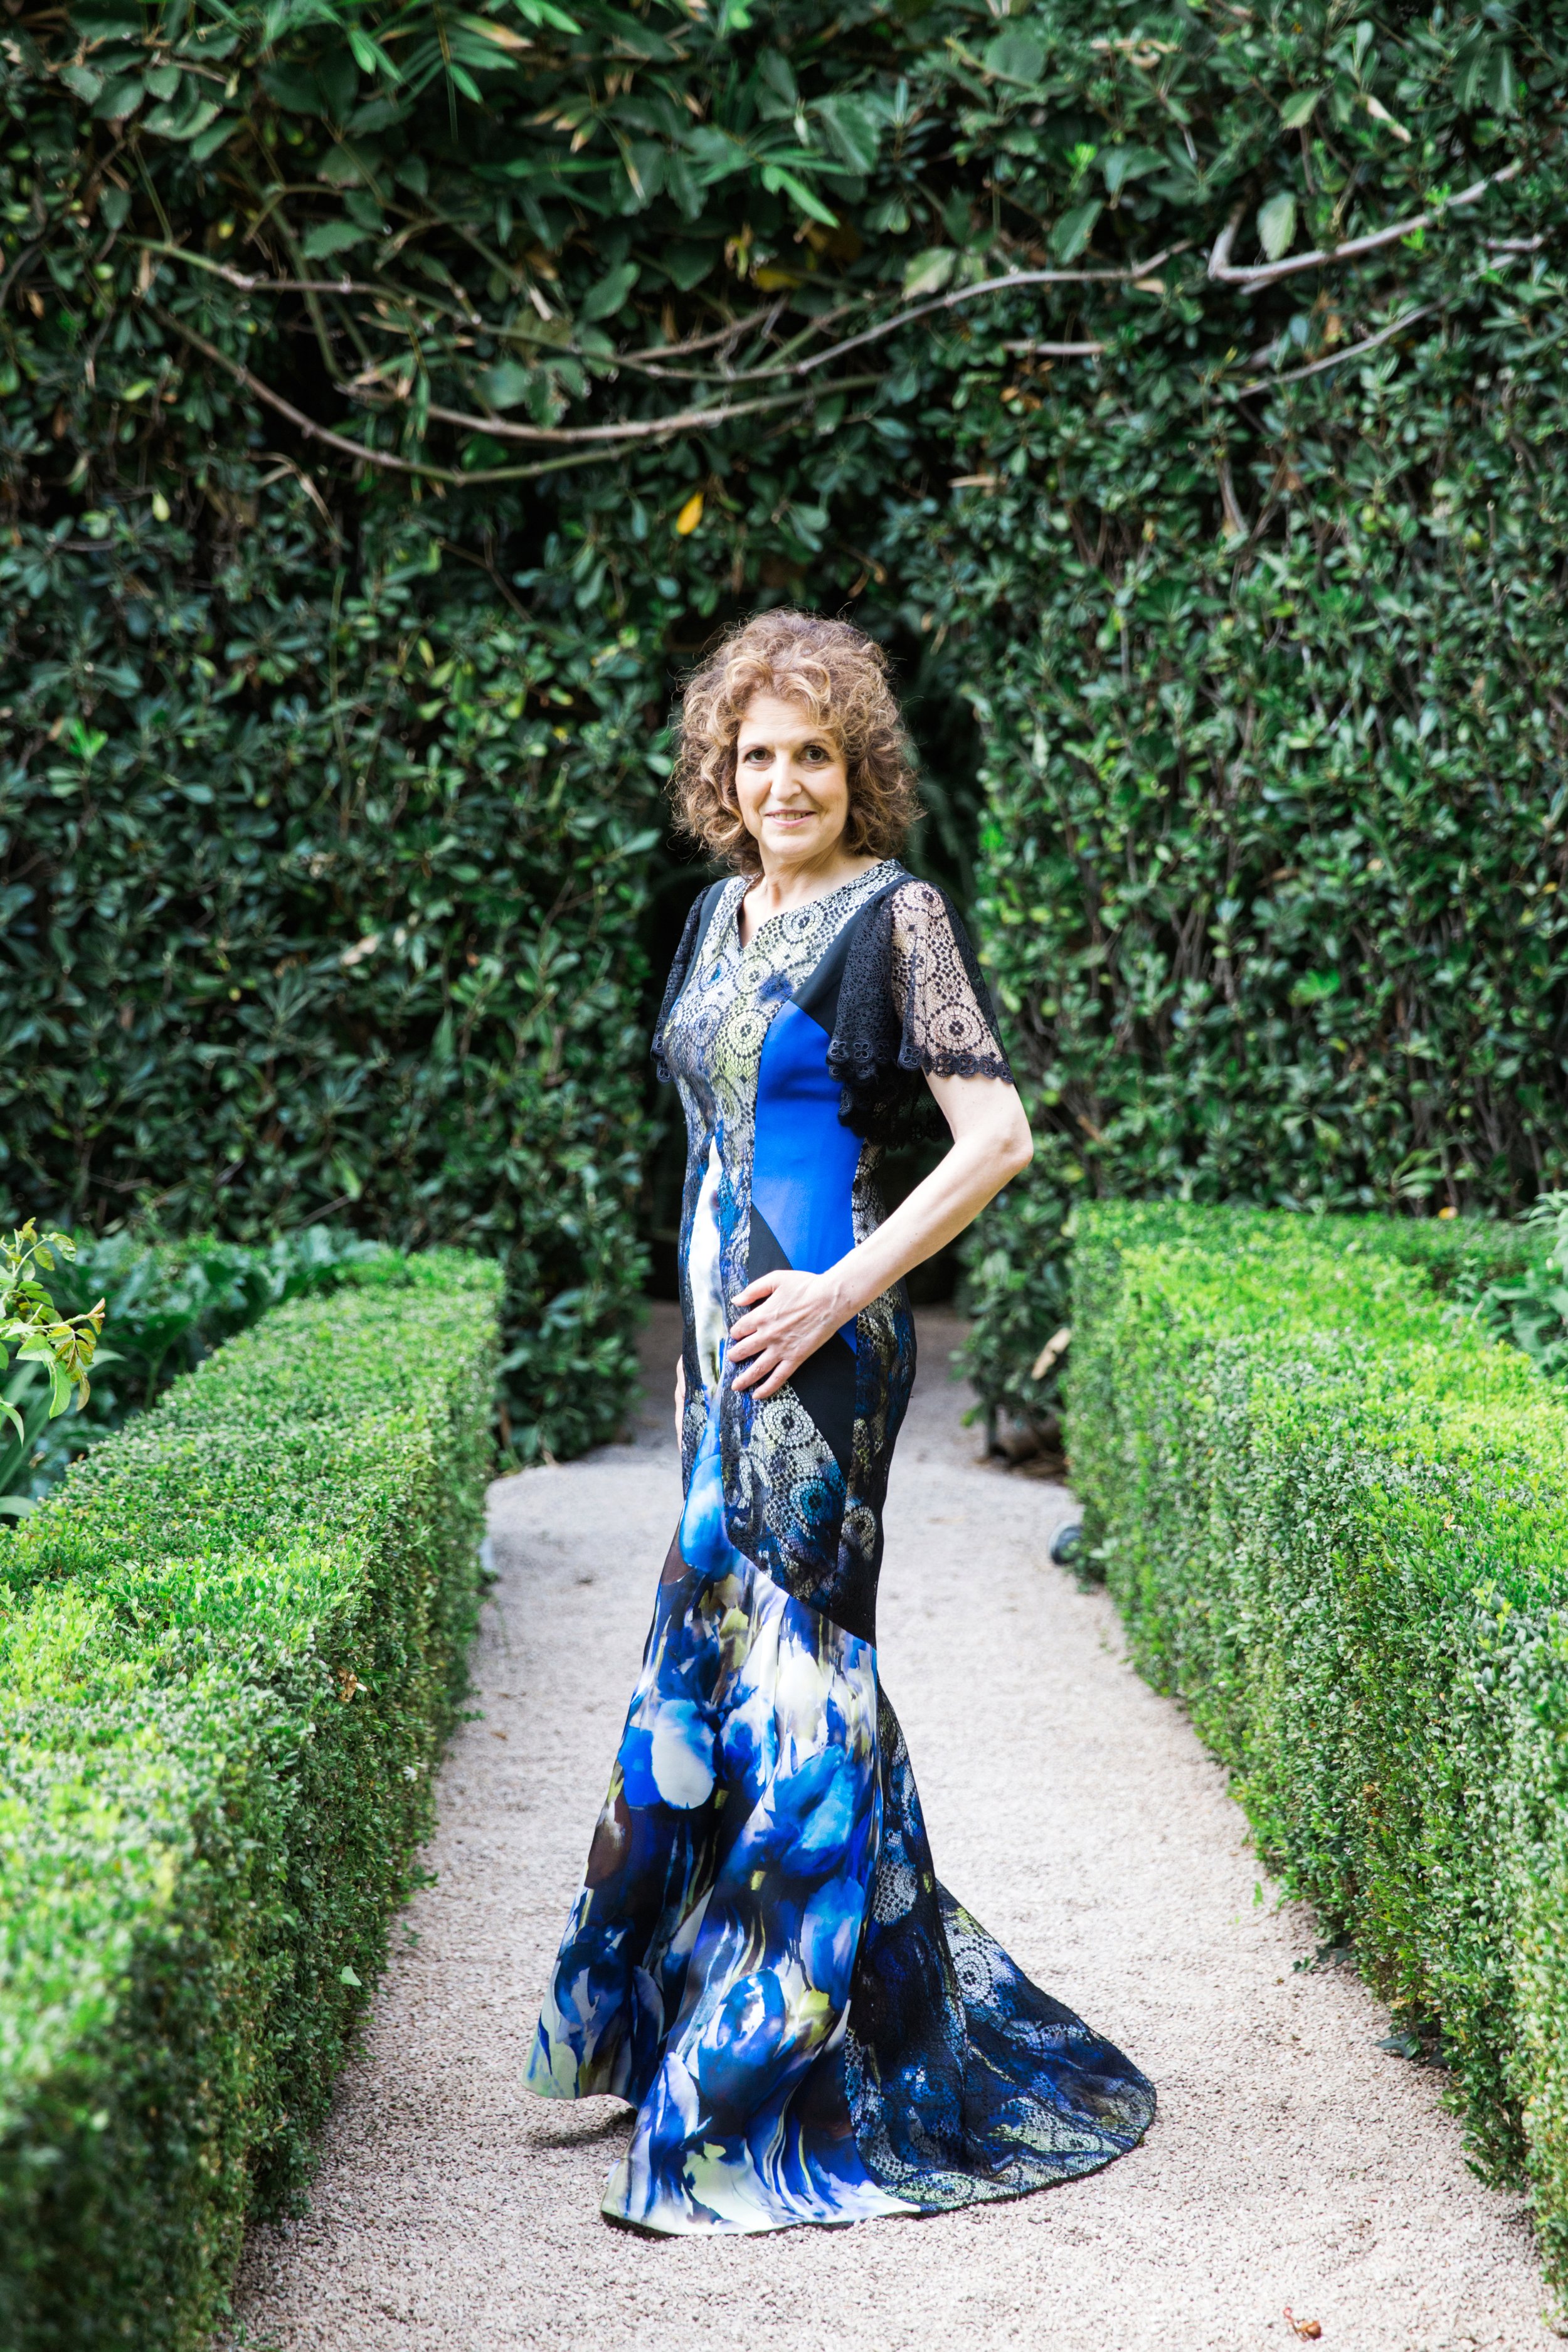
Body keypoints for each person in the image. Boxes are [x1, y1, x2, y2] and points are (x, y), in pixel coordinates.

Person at [524, 610, 1154, 2233]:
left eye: (812, 752)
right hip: (721, 1369)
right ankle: (685, 2029)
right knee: (708, 1671)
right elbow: (705, 1155)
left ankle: (749, 2094)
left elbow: (994, 1136)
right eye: (756, 755)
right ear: (719, 779)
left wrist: (832, 1298)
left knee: (802, 1684)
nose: (783, 779)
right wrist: (693, 1356)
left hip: (817, 1360)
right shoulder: (714, 917)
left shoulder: (900, 920)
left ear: (855, 766)